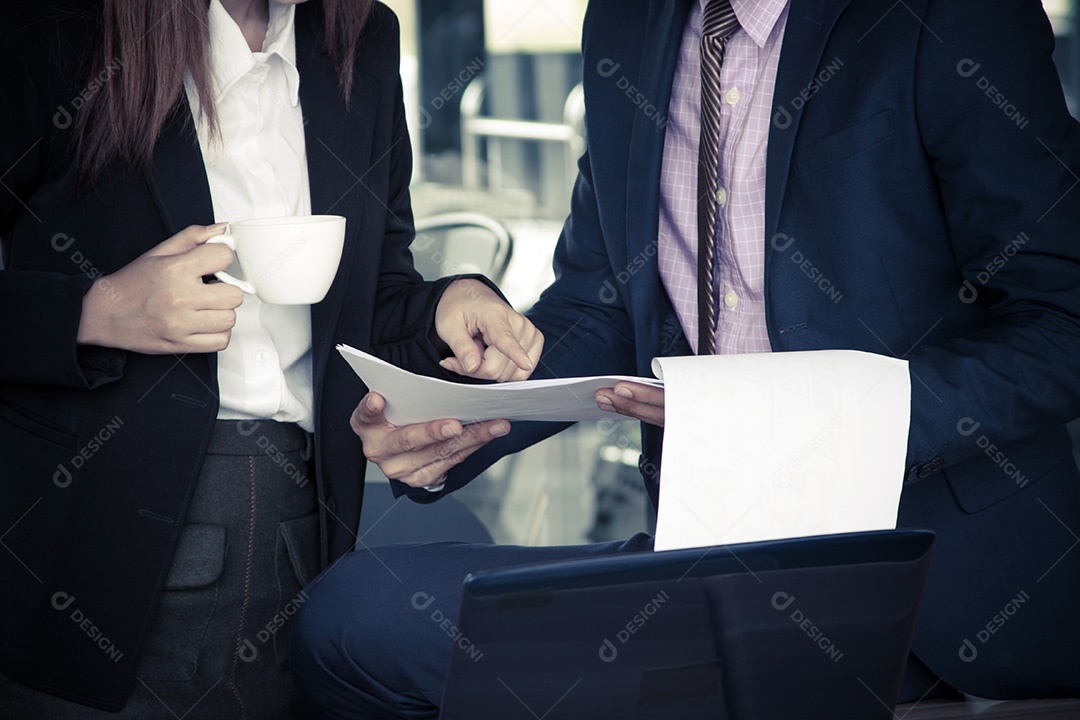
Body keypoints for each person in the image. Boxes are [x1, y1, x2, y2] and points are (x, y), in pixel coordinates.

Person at [290, 0, 1080, 716]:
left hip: (922, 577)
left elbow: (1063, 322)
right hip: (711, 551)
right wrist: (465, 418)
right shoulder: (628, 26)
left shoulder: (950, 16)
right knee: (355, 613)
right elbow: (601, 302)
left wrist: (789, 416)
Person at [0, 0, 541, 717]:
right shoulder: (46, 31)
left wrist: (444, 306)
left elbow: (369, 296)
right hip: (92, 545)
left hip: (304, 530)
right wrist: (94, 311)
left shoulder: (363, 38)